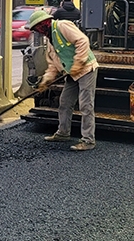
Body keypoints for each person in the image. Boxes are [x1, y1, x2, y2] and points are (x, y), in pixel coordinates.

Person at [25, 9, 98, 151]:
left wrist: (78, 63)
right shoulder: (50, 41)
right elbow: (53, 64)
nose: (38, 31)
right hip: (72, 73)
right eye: (36, 30)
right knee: (64, 102)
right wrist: (45, 81)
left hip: (86, 68)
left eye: (38, 27)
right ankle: (63, 133)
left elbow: (82, 41)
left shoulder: (62, 25)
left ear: (45, 22)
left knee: (86, 105)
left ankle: (88, 140)